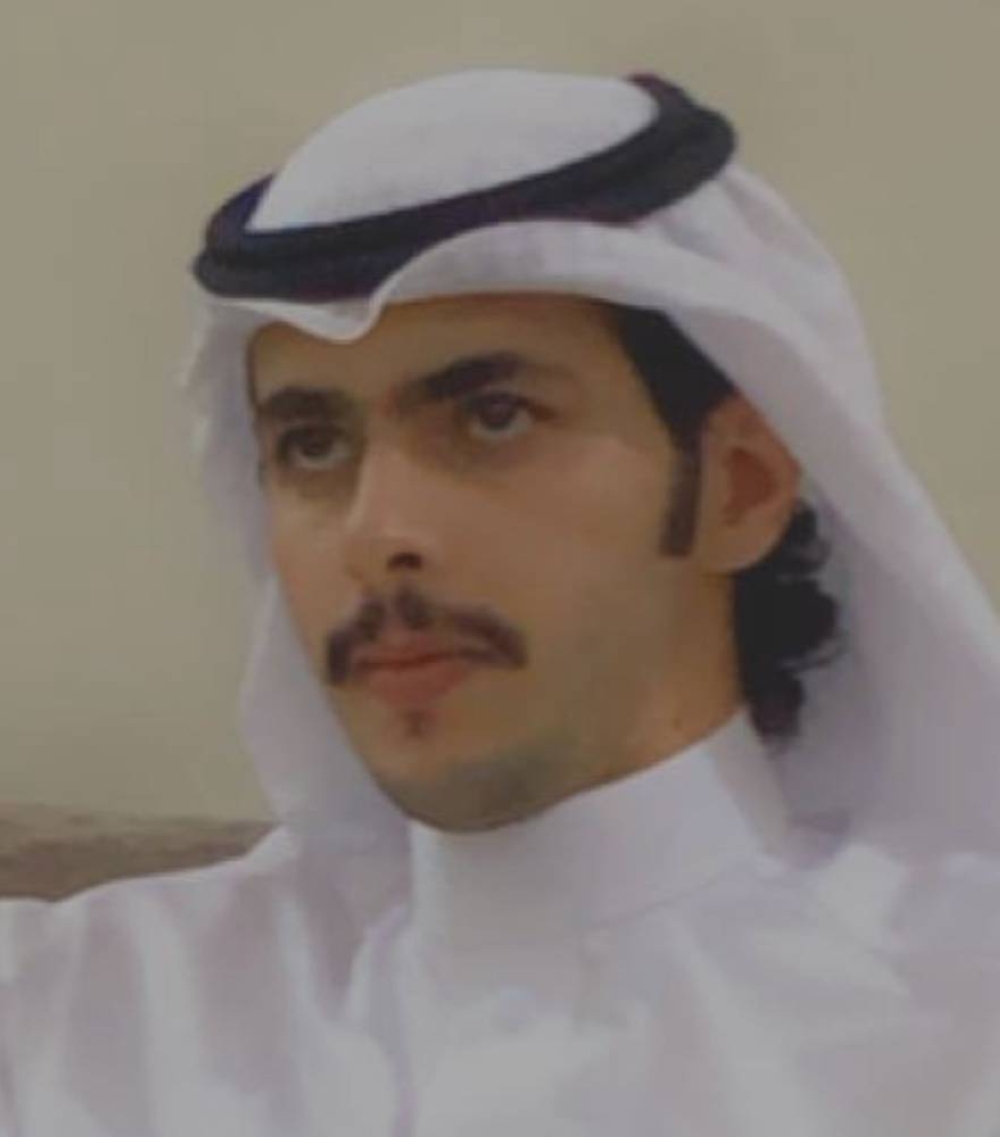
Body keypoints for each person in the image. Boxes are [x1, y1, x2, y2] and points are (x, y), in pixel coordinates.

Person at [3, 67, 1000, 1135]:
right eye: (313, 445)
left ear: (740, 487)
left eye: (492, 418)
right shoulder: (73, 1015)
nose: (379, 533)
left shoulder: (959, 1030)